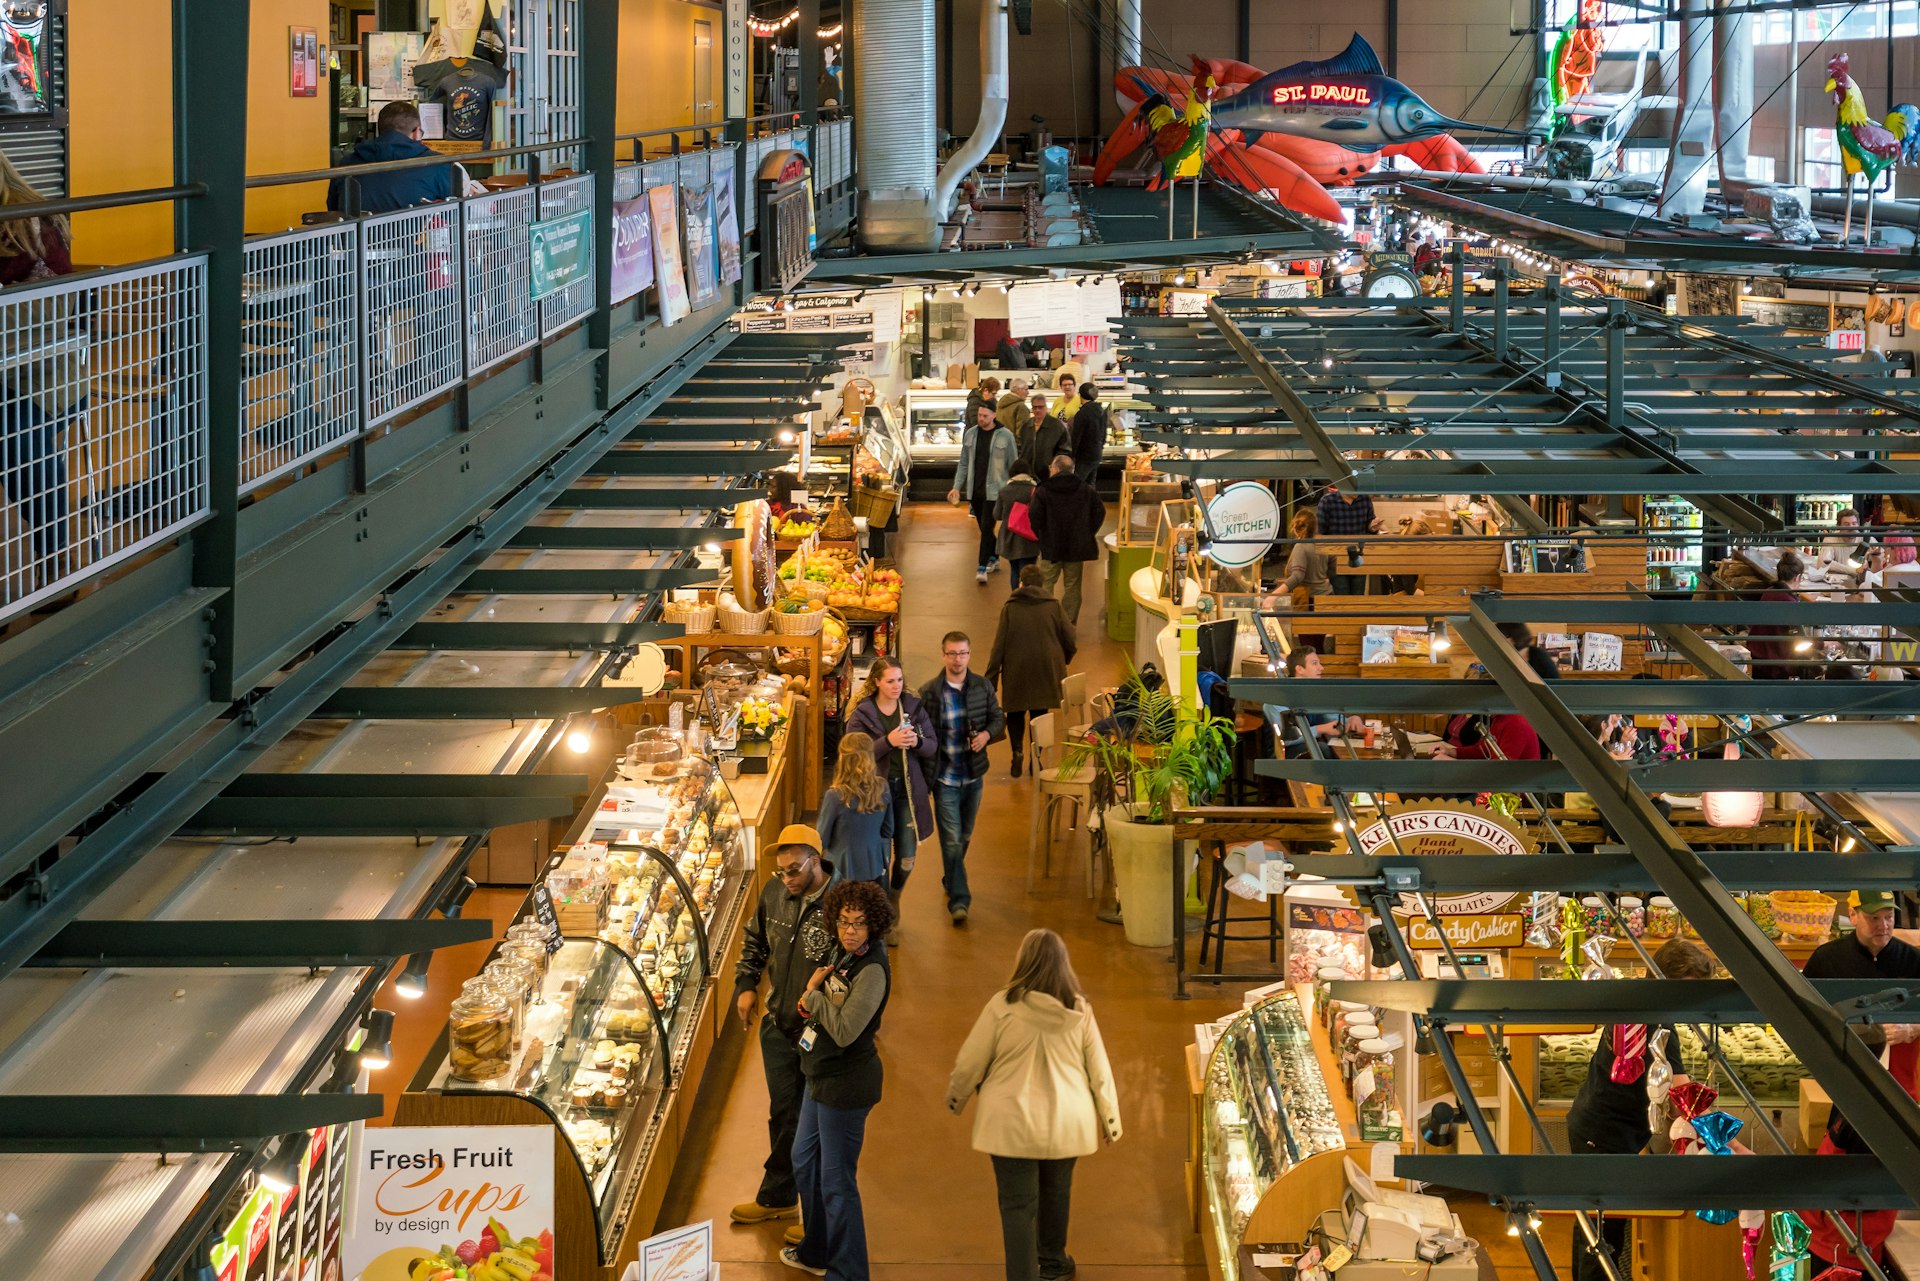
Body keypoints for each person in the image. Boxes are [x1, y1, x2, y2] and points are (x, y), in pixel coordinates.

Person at [947, 929, 1122, 1281]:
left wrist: (957, 1097)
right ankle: (1054, 1264)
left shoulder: (1002, 1006)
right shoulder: (1079, 1010)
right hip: (1066, 1120)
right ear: (1063, 964)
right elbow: (1099, 1070)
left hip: (1010, 1120)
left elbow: (971, 1061)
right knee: (1056, 1193)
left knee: (1017, 1206)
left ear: (1022, 961)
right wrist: (1110, 1120)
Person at [1565, 938, 1710, 1281]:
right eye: (1689, 990)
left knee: (1594, 1221)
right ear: (1666, 981)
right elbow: (1682, 1095)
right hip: (1604, 1134)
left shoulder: (1639, 1004)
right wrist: (1723, 1137)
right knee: (1601, 1229)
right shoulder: (1659, 1025)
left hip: (1599, 1127)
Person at [1799, 890, 1920, 1271]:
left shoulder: (1912, 959)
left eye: (1889, 916)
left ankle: (1874, 1229)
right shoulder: (1826, 960)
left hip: (1901, 1086)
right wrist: (1872, 1035)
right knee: (1848, 1154)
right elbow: (1810, 1021)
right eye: (1874, 918)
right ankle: (1850, 1237)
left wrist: (1913, 1025)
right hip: (1846, 1085)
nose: (1884, 925)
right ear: (1852, 915)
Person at [784, 880, 894, 1280]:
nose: (850, 931)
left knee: (836, 1183)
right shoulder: (843, 953)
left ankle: (848, 1272)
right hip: (820, 1074)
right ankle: (817, 1249)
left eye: (860, 924)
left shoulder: (873, 970)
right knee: (804, 1160)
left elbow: (847, 1031)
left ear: (874, 926)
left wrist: (811, 995)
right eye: (845, 922)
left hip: (847, 1086)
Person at [731, 824, 840, 1229]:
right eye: (782, 871)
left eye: (795, 870)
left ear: (817, 860)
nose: (787, 879)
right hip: (778, 1028)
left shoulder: (841, 906)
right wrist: (746, 986)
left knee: (815, 1125)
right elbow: (756, 941)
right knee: (783, 1114)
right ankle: (778, 1198)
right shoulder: (775, 892)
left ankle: (818, 1220)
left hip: (821, 1036)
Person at [0, 150, 78, 586]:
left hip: (42, 376)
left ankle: (54, 553)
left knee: (16, 431)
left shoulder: (35, 225)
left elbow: (46, 307)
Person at [918, 631, 1007, 925]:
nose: (958, 659)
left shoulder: (981, 687)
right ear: (943, 655)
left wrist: (985, 735)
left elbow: (997, 718)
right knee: (952, 841)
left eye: (963, 653)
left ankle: (951, 876)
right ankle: (960, 900)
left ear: (970, 655)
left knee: (964, 836)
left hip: (973, 775)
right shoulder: (930, 692)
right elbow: (925, 733)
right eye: (952, 653)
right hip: (944, 779)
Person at [846, 656, 935, 944]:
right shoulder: (862, 714)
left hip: (908, 794)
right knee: (881, 861)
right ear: (876, 683)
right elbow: (853, 754)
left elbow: (932, 744)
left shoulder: (912, 708)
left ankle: (894, 897)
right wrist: (888, 742)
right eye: (890, 681)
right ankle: (883, 919)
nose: (896, 686)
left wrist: (917, 743)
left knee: (907, 857)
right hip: (875, 799)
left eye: (899, 680)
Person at [987, 565, 1077, 776]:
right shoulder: (1053, 605)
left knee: (1016, 711)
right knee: (1039, 712)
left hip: (1016, 666)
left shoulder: (1011, 607)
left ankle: (1017, 751)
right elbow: (1070, 637)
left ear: (1021, 583)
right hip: (1045, 667)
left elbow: (999, 644)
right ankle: (1035, 758)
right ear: (1042, 584)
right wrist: (1065, 659)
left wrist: (990, 678)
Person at [326, 100, 456, 213]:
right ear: (417, 133)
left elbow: (333, 207)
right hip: (415, 240)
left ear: (379, 131)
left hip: (357, 239)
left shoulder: (347, 164)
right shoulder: (439, 164)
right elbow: (458, 210)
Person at [1028, 454, 1105, 627]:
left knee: (1045, 582)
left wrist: (1041, 535)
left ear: (1054, 469)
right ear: (1072, 470)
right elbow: (1099, 513)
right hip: (1076, 547)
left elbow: (1034, 516)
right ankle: (1068, 624)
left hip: (1050, 546)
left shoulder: (1044, 490)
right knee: (1072, 586)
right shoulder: (1086, 489)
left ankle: (1045, 621)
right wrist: (1087, 532)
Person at [952, 400, 1020, 585]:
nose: (981, 419)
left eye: (985, 416)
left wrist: (1012, 488)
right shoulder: (971, 434)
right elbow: (964, 462)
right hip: (975, 490)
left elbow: (1013, 463)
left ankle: (982, 567)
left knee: (987, 526)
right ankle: (995, 555)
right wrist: (957, 486)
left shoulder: (1006, 436)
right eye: (979, 415)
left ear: (994, 415)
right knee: (984, 528)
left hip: (996, 491)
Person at [817, 733, 894, 889]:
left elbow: (821, 839)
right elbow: (888, 830)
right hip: (874, 866)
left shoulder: (835, 795)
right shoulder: (882, 787)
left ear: (842, 759)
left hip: (840, 869)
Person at [1264, 646, 1364, 755]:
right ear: (1300, 669)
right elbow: (1286, 740)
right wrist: (1320, 729)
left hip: (1311, 751)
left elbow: (1331, 719)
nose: (1321, 668)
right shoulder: (1276, 699)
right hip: (1283, 756)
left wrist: (1351, 720)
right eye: (1315, 663)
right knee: (1322, 749)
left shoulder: (1317, 694)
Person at [1749, 551, 1808, 681]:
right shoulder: (1788, 601)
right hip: (1773, 666)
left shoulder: (1769, 592)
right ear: (1797, 578)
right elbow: (1800, 637)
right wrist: (1824, 644)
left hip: (1758, 658)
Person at [1316, 487, 1382, 594]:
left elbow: (1369, 527)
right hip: (1336, 560)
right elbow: (1321, 532)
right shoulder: (1327, 501)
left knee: (1357, 598)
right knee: (1341, 597)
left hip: (1359, 557)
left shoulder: (1365, 500)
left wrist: (1372, 527)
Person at [995, 463, 1042, 584]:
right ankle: (1029, 597)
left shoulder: (1004, 491)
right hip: (1029, 538)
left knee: (1015, 571)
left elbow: (996, 515)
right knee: (1029, 573)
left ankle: (1017, 597)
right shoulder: (1035, 490)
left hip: (1009, 538)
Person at [1273, 509, 1332, 604]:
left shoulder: (1301, 547)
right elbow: (1332, 570)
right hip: (1327, 596)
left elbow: (1298, 576)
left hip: (1309, 600)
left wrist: (1274, 596)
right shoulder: (1322, 543)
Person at [1067, 383, 1108, 484]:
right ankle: (1090, 499)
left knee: (1076, 484)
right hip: (1096, 453)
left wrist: (1071, 455)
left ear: (1080, 395)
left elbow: (1076, 437)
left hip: (1084, 456)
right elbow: (1104, 434)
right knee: (1090, 484)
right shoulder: (1101, 411)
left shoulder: (1082, 414)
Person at [1024, 391, 1068, 477]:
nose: (1037, 410)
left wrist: (1054, 467)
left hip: (1049, 474)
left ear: (1046, 407)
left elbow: (1065, 451)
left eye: (1040, 407)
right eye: (1035, 407)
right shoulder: (1026, 426)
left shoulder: (1057, 426)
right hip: (1029, 474)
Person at [997, 377, 1032, 442]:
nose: (1028, 393)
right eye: (1026, 389)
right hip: (1013, 448)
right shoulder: (1021, 407)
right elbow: (1022, 434)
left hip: (999, 445)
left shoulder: (1000, 404)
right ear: (1018, 390)